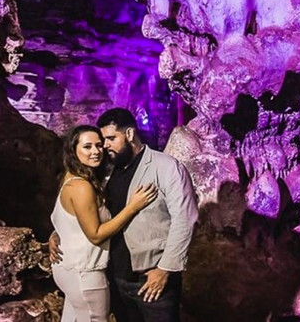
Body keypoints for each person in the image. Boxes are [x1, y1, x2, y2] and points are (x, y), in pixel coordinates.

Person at [50, 108, 200, 322]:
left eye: (110, 138)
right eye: (102, 140)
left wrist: (165, 269)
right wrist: (59, 233)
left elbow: (185, 220)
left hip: (151, 278)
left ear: (129, 134)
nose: (104, 147)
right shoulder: (107, 171)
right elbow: (86, 211)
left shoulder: (166, 167)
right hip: (115, 277)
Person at [52, 124, 160, 322]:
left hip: (69, 269)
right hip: (85, 273)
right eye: (87, 147)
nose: (96, 151)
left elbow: (68, 218)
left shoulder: (71, 177)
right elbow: (95, 234)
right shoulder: (81, 187)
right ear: (73, 150)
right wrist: (132, 207)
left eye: (99, 145)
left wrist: (57, 233)